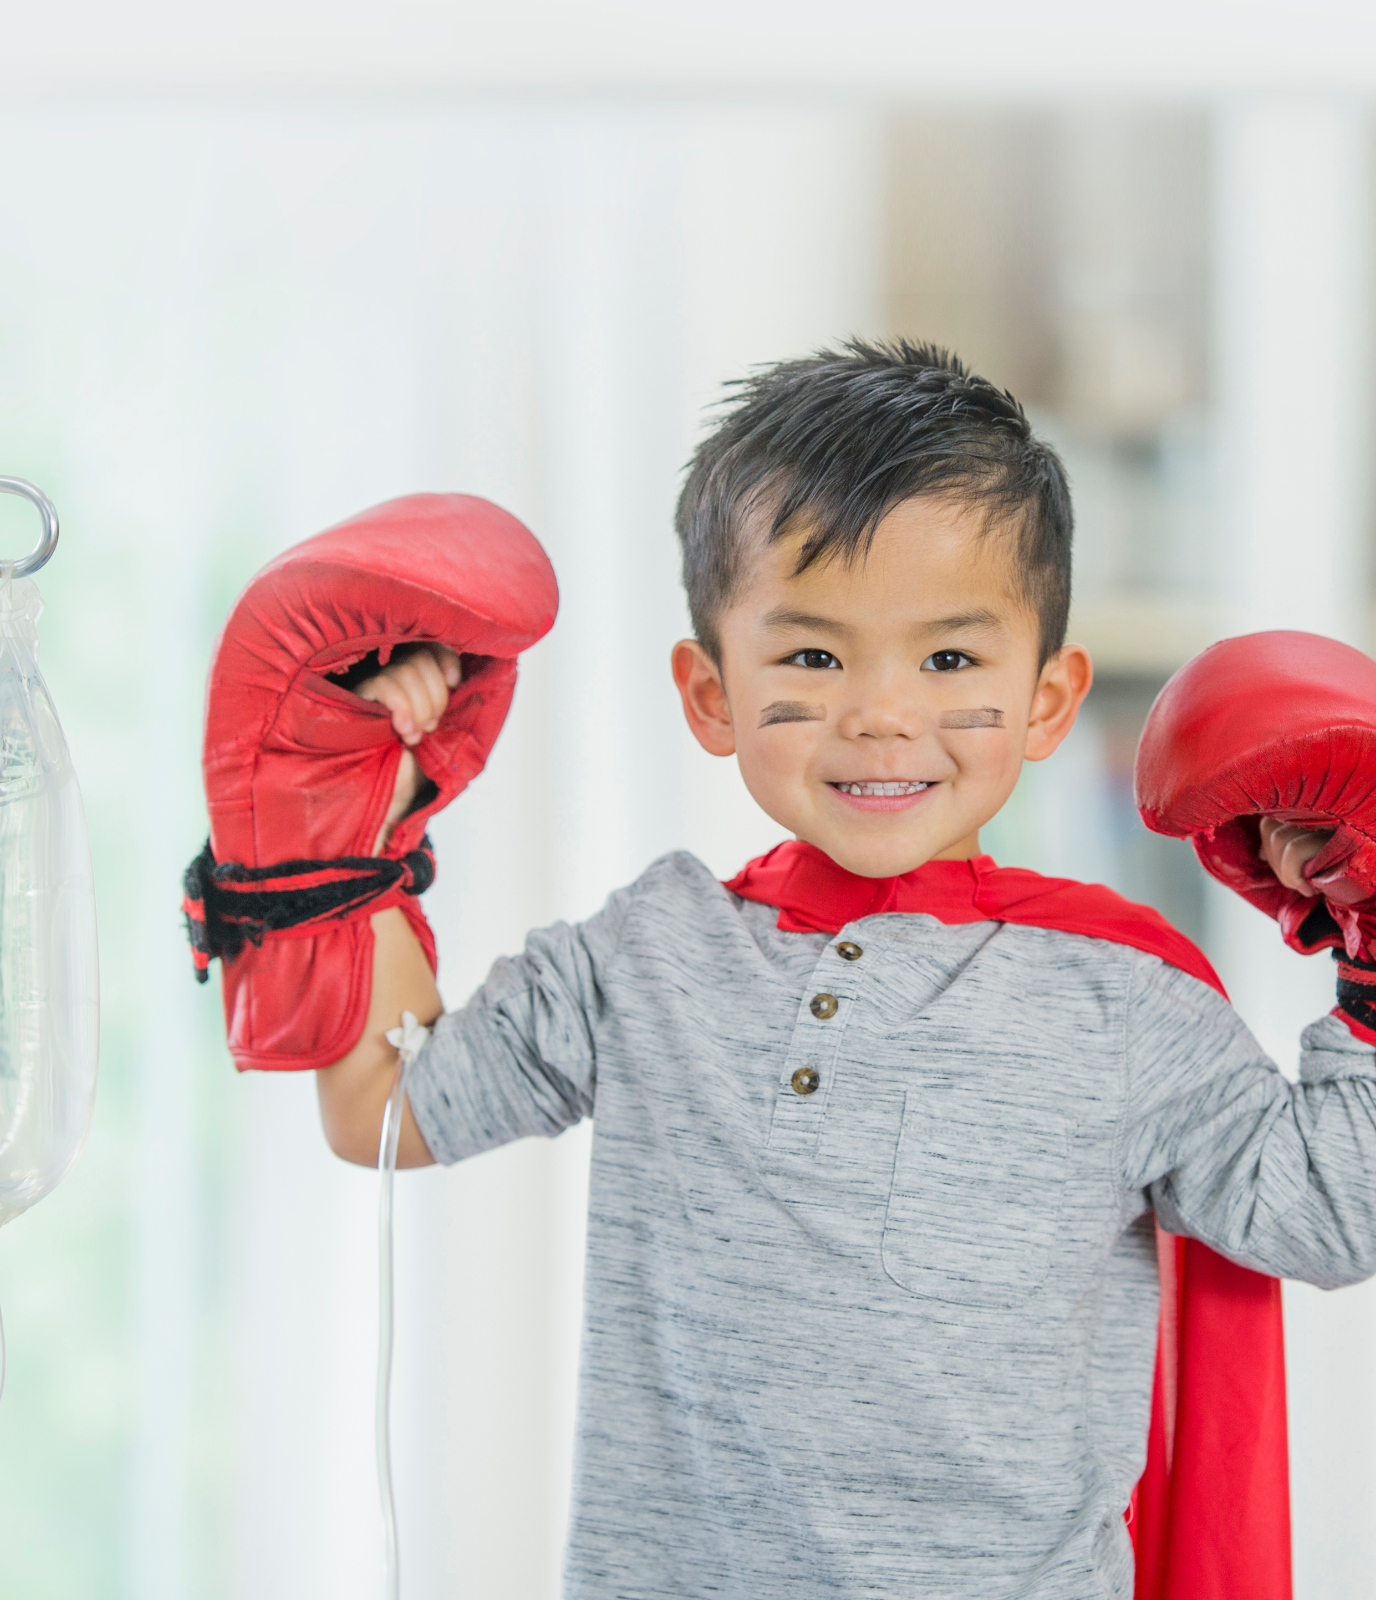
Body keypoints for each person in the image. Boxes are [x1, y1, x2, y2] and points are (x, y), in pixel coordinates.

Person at [312, 340, 1374, 1598]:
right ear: (710, 693)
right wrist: (352, 825)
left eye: (948, 660)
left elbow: (1324, 1212)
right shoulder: (647, 953)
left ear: (1046, 698)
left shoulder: (1125, 994)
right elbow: (387, 1111)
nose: (879, 712)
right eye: (812, 658)